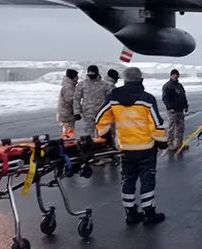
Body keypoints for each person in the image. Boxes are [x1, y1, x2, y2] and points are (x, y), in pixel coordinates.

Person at [96, 67, 167, 225]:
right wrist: (162, 143)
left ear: (125, 80)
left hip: (125, 149)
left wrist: (106, 138)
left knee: (128, 181)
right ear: (141, 80)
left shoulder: (113, 98)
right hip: (146, 149)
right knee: (147, 181)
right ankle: (149, 213)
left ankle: (130, 213)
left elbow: (100, 118)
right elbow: (156, 124)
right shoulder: (147, 99)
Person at [74, 65, 111, 137]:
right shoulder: (82, 84)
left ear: (97, 73)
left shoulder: (105, 85)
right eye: (89, 72)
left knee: (103, 133)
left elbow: (110, 99)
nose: (91, 74)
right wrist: (76, 112)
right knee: (89, 134)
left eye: (93, 72)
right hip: (88, 113)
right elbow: (76, 99)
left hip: (101, 113)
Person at [162, 69, 189, 151]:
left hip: (180, 110)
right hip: (173, 111)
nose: (175, 76)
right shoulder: (167, 86)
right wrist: (169, 107)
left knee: (180, 128)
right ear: (171, 75)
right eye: (174, 74)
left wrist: (186, 105)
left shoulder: (179, 86)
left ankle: (179, 143)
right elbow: (165, 98)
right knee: (172, 128)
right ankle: (170, 144)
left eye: (177, 75)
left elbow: (183, 96)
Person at [57, 68, 78, 139]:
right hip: (67, 115)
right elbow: (71, 100)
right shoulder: (68, 87)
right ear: (73, 77)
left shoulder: (68, 85)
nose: (77, 80)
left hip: (65, 114)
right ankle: (68, 143)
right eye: (76, 77)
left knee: (68, 131)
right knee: (68, 133)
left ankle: (67, 142)